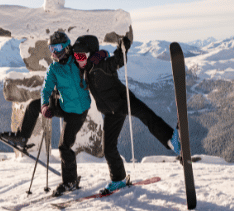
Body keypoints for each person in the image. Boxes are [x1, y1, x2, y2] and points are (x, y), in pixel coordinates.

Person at [73, 34, 180, 193]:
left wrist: (123, 48)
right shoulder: (86, 70)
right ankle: (119, 179)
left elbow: (118, 61)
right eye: (76, 56)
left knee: (146, 115)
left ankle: (172, 139)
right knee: (108, 147)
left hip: (123, 101)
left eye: (81, 55)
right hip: (111, 112)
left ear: (90, 54)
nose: (78, 59)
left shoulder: (102, 64)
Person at [0, 31, 91, 196]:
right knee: (34, 105)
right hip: (64, 104)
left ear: (66, 46)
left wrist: (93, 55)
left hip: (78, 112)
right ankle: (22, 136)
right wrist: (45, 106)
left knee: (64, 147)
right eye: (51, 48)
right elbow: (46, 89)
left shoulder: (77, 60)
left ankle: (70, 182)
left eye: (57, 47)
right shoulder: (54, 68)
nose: (54, 52)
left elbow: (91, 59)